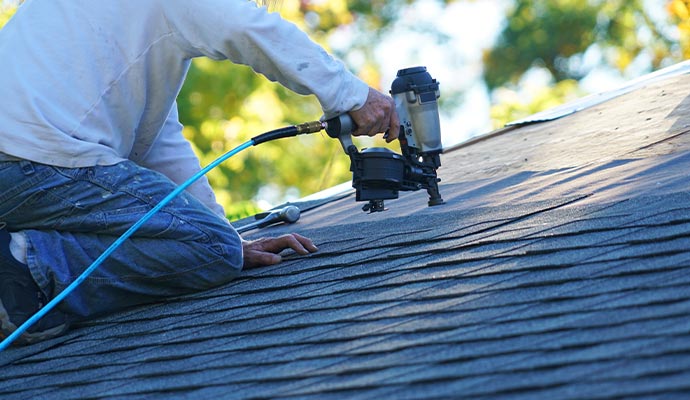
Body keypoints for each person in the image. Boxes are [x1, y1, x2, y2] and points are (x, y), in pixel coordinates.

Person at [0, 0, 399, 346]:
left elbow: (158, 142)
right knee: (213, 251)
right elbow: (245, 26)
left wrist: (225, 235)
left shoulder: (124, 33)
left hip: (26, 158)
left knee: (216, 246)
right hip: (35, 156)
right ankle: (22, 271)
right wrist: (352, 94)